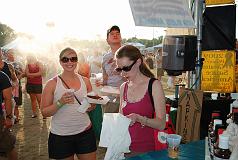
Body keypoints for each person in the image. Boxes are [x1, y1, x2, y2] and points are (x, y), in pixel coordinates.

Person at [41, 47, 97, 160]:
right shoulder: (51, 84)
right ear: (60, 62)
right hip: (61, 136)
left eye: (73, 59)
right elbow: (44, 112)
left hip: (85, 132)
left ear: (77, 61)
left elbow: (93, 103)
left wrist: (90, 106)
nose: (70, 62)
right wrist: (60, 102)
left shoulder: (85, 81)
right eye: (65, 59)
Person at [115, 45, 166, 156]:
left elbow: (161, 124)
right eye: (119, 69)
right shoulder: (123, 87)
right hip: (124, 148)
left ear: (138, 62)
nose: (122, 74)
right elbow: (121, 118)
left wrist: (139, 118)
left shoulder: (154, 85)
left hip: (146, 150)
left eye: (126, 68)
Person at [98, 25, 125, 113]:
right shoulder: (106, 57)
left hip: (126, 97)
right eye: (112, 34)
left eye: (117, 33)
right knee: (109, 124)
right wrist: (101, 82)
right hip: (109, 98)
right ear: (107, 40)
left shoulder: (128, 52)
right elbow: (105, 77)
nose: (115, 35)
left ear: (121, 37)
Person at [0, 71, 18, 160]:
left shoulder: (2, 76)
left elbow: (8, 98)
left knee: (8, 145)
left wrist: (9, 117)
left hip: (0, 119)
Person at [6, 49, 25, 123]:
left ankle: (16, 118)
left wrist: (16, 80)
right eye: (9, 53)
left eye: (12, 53)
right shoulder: (5, 62)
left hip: (17, 85)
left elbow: (23, 73)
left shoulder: (18, 63)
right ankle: (10, 117)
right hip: (7, 85)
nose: (10, 54)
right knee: (8, 101)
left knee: (16, 103)